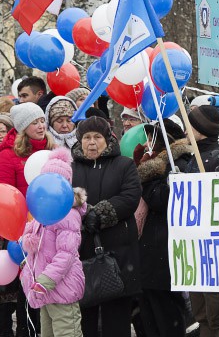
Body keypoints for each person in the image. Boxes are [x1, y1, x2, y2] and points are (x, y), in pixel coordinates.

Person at [72, 116, 142, 337]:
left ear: (108, 139)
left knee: (116, 318)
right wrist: (83, 215)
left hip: (119, 253)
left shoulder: (124, 164)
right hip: (81, 252)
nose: (92, 142)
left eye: (97, 137)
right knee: (85, 317)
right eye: (87, 137)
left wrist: (99, 214)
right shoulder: (69, 167)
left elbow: (131, 197)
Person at [0, 102, 54, 337]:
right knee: (27, 287)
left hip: (51, 228)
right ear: (23, 127)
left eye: (42, 120)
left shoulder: (53, 150)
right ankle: (26, 329)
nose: (41, 125)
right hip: (22, 232)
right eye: (35, 122)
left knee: (48, 284)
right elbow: (5, 196)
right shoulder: (8, 156)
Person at [20, 147, 87, 337]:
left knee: (67, 332)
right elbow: (38, 246)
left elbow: (66, 253)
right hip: (44, 288)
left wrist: (46, 280)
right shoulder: (41, 213)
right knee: (47, 333)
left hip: (60, 287)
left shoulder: (67, 214)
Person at [136, 119, 191, 337]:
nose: (148, 143)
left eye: (152, 138)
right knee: (150, 316)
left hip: (165, 250)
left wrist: (148, 182)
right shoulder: (150, 163)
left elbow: (164, 199)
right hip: (150, 251)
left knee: (167, 316)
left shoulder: (180, 163)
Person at [184, 105, 219, 337]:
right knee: (201, 314)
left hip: (213, 249)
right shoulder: (194, 157)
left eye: (191, 125)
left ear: (200, 130)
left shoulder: (217, 158)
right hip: (194, 246)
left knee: (215, 313)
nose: (187, 131)